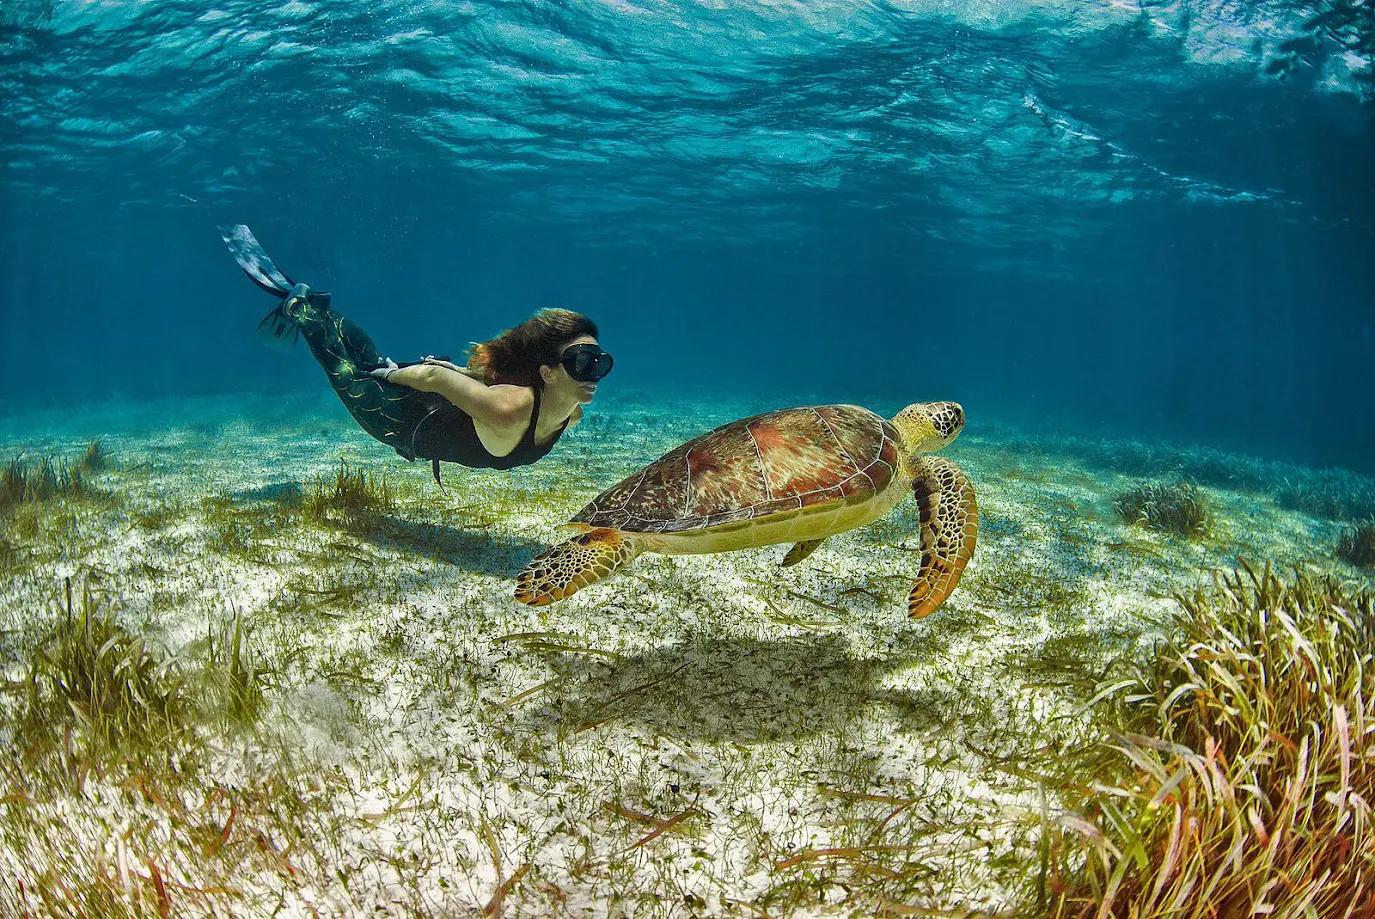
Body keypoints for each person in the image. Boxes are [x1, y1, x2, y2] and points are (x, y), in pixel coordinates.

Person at [221, 225, 612, 482]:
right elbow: (435, 380)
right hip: (399, 420)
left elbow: (482, 385)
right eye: (582, 363)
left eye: (599, 364)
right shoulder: (513, 409)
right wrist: (388, 377)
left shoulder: (569, 413)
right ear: (547, 372)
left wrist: (461, 371)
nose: (593, 374)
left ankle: (315, 307)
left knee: (367, 359)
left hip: (424, 407)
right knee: (348, 369)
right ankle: (300, 311)